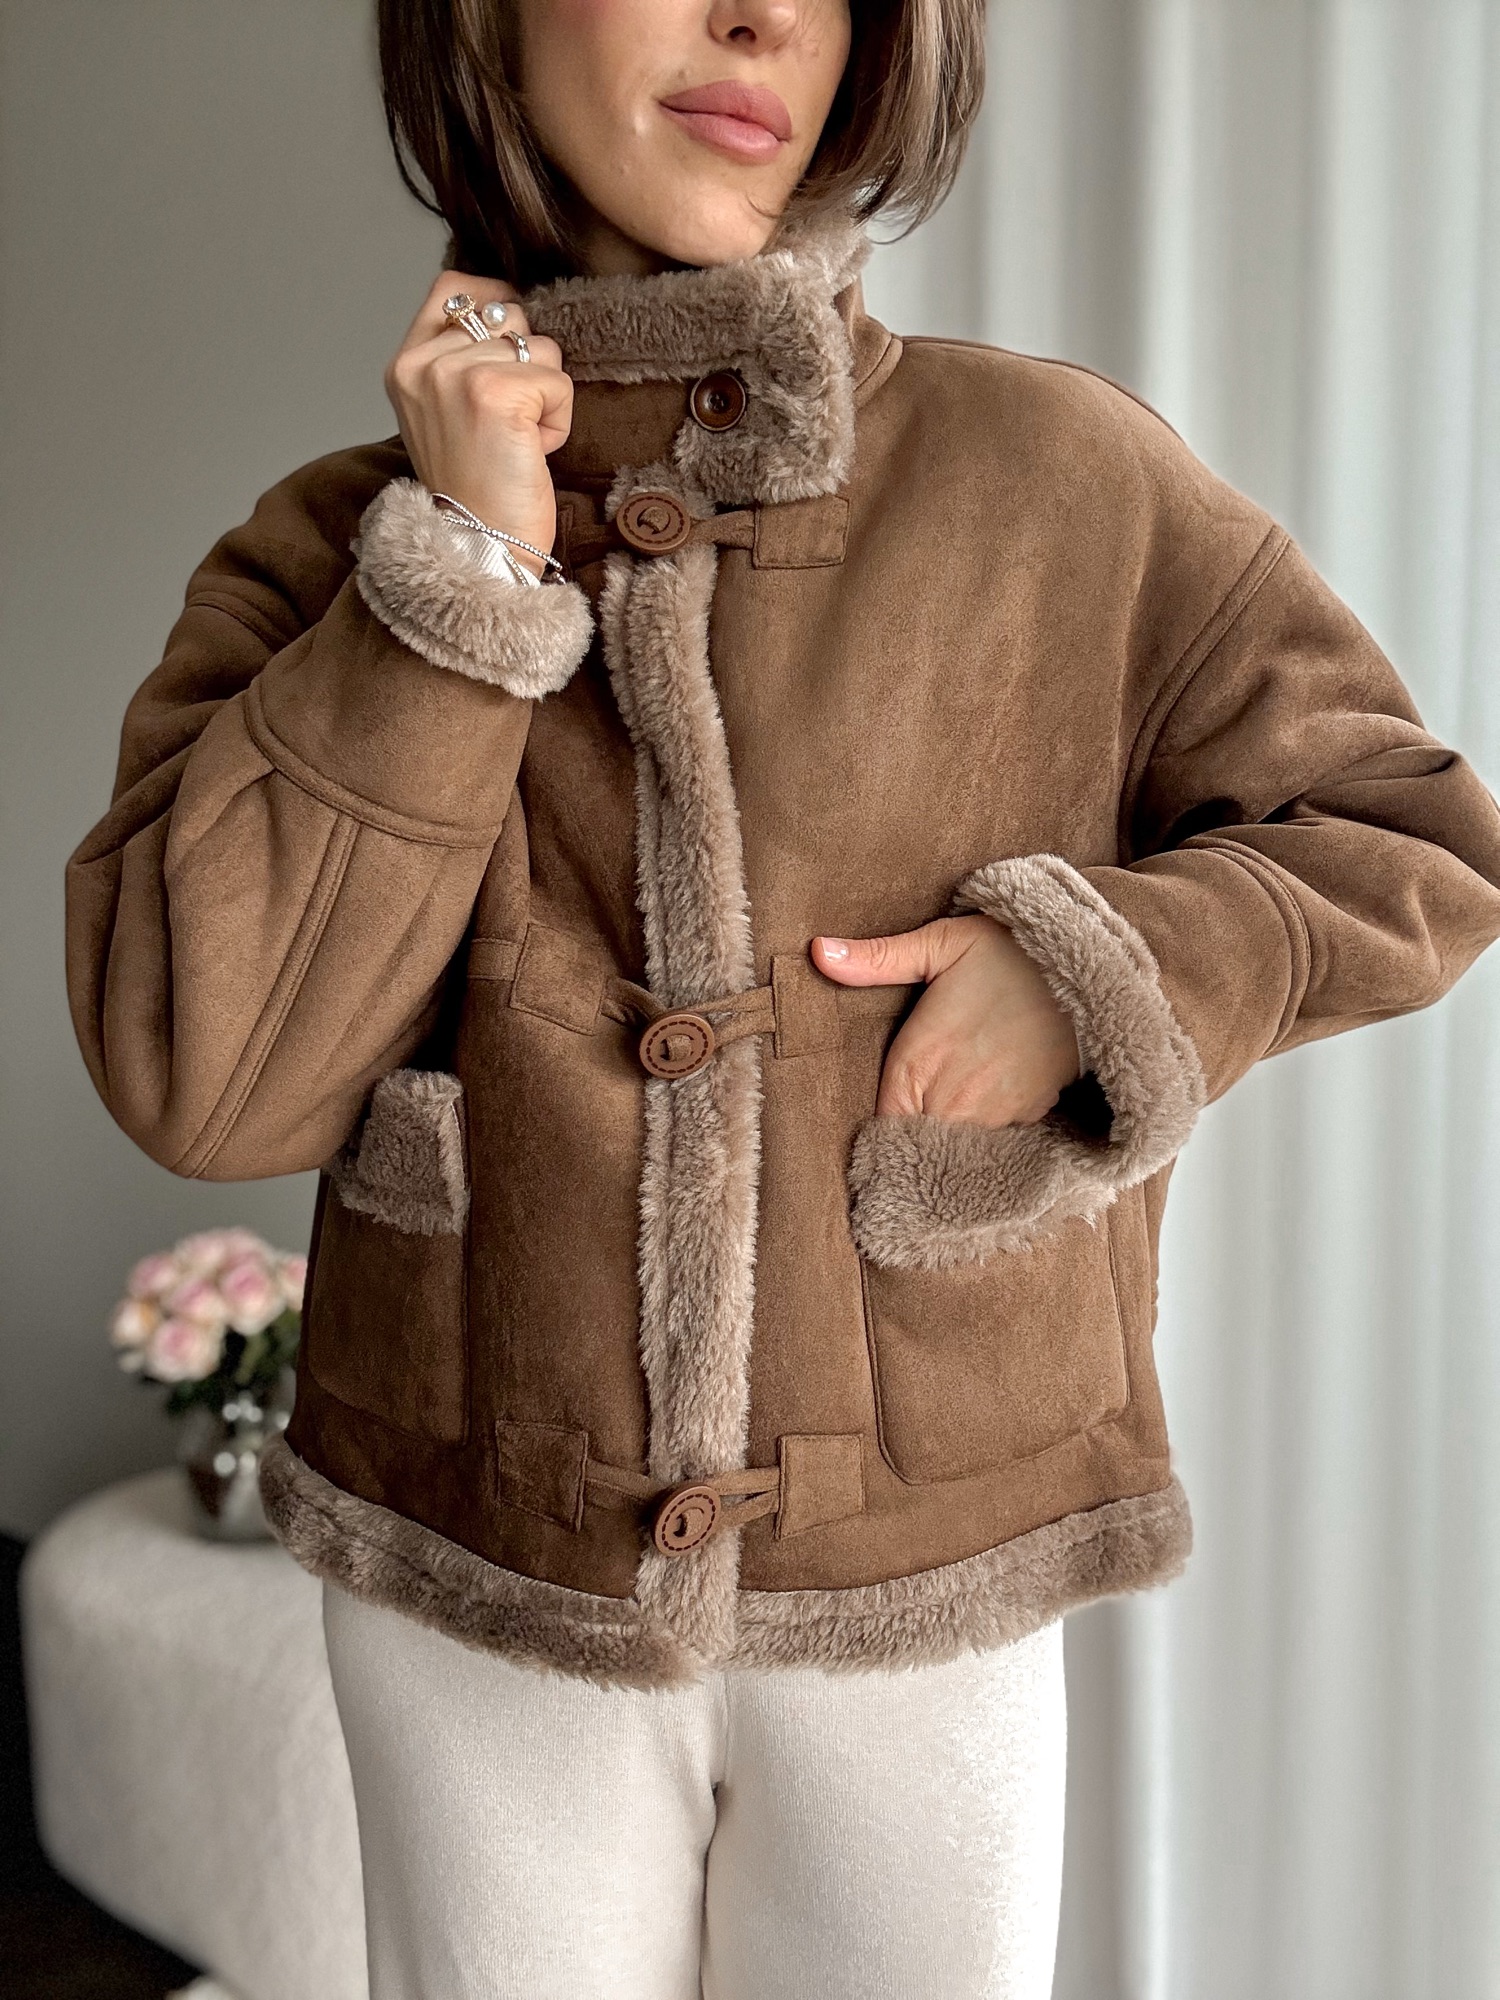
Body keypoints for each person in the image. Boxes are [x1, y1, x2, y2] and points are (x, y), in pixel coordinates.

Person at [65, 1, 1500, 1994]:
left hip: (932, 1578)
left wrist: (1092, 976)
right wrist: (463, 572)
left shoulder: (1059, 481)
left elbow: (1412, 832)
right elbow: (206, 1072)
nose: (760, 16)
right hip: (486, 1581)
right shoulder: (333, 555)